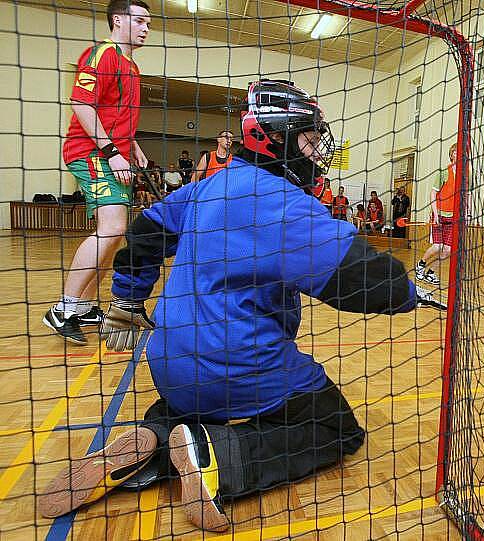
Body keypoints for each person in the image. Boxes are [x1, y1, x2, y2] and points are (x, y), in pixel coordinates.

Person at [37, 79, 445, 532]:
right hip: (238, 365)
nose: (318, 152)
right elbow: (363, 282)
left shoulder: (208, 187)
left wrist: (128, 301)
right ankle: (219, 460)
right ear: (280, 137)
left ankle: (152, 439)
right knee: (335, 426)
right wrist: (411, 293)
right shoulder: (285, 206)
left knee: (191, 399)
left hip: (169, 364)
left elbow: (143, 235)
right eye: (310, 138)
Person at [42, 0, 151, 344]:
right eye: (140, 21)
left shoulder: (131, 66)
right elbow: (81, 103)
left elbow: (116, 115)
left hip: (113, 153)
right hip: (91, 153)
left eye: (149, 22)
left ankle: (84, 305)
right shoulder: (102, 54)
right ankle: (63, 309)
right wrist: (111, 151)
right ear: (118, 20)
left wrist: (133, 146)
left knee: (114, 234)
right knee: (113, 227)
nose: (147, 28)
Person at [415, 142, 459, 286]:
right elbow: (433, 192)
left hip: (454, 217)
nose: (458, 154)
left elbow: (467, 195)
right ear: (451, 154)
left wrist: (468, 214)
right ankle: (421, 265)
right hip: (439, 214)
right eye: (455, 152)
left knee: (448, 250)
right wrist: (435, 214)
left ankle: (431, 272)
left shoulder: (465, 175)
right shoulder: (443, 172)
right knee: (438, 246)